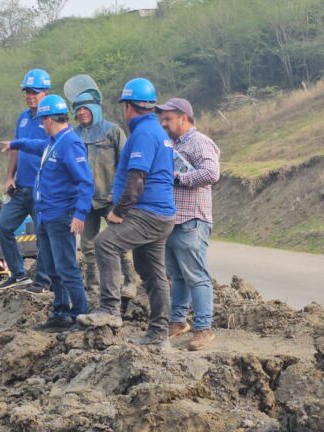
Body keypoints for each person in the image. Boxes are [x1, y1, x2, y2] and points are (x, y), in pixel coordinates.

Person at [77, 78, 176, 348]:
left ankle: (109, 308)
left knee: (104, 243)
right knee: (152, 272)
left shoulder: (143, 134)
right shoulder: (156, 131)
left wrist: (119, 211)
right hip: (160, 214)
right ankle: (158, 334)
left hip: (148, 213)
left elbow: (137, 178)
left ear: (129, 107)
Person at [1, 94, 94, 331]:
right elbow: (34, 145)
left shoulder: (70, 144)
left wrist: (79, 214)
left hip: (61, 216)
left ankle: (80, 315)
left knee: (67, 268)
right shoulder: (53, 143)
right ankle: (60, 312)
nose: (41, 125)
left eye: (43, 121)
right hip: (46, 216)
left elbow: (85, 182)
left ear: (50, 120)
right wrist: (15, 144)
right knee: (52, 268)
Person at [156, 98, 221, 351]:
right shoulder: (171, 144)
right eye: (162, 119)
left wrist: (179, 178)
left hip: (192, 219)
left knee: (196, 275)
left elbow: (211, 173)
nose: (164, 124)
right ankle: (178, 321)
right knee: (177, 275)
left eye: (168, 119)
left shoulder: (199, 142)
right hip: (173, 219)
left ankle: (204, 328)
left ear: (183, 117)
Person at [71, 90, 140, 301]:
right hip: (87, 201)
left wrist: (119, 196)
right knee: (88, 246)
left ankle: (130, 282)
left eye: (86, 108)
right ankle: (93, 289)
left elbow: (127, 163)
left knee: (120, 241)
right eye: (78, 109)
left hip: (112, 199)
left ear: (96, 109)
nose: (82, 113)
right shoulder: (74, 136)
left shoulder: (113, 131)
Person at [0, 69, 52, 291]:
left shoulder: (51, 118)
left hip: (43, 189)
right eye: (27, 92)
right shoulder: (23, 117)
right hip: (22, 187)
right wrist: (10, 176)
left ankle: (43, 281)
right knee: (3, 226)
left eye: (35, 92)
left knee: (42, 236)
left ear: (46, 92)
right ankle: (19, 274)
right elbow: (16, 150)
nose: (30, 96)